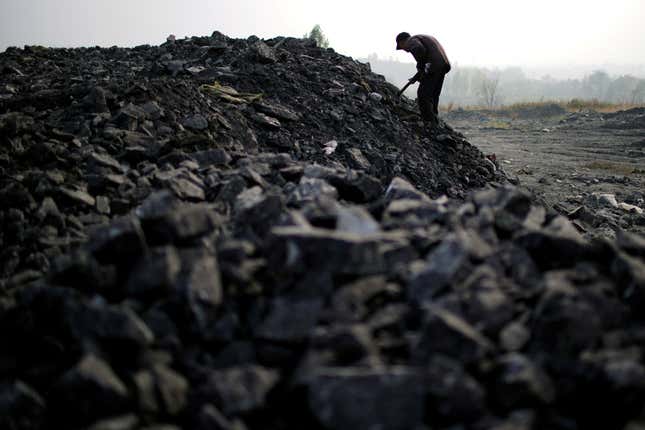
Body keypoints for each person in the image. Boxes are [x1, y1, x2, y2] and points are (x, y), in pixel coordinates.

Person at [396, 32, 451, 127]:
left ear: (402, 41)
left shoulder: (411, 41)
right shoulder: (422, 37)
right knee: (433, 94)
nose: (404, 50)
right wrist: (418, 76)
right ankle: (434, 118)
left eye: (401, 47)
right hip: (442, 65)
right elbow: (425, 59)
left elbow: (419, 49)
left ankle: (428, 121)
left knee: (423, 94)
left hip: (433, 66)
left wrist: (421, 66)